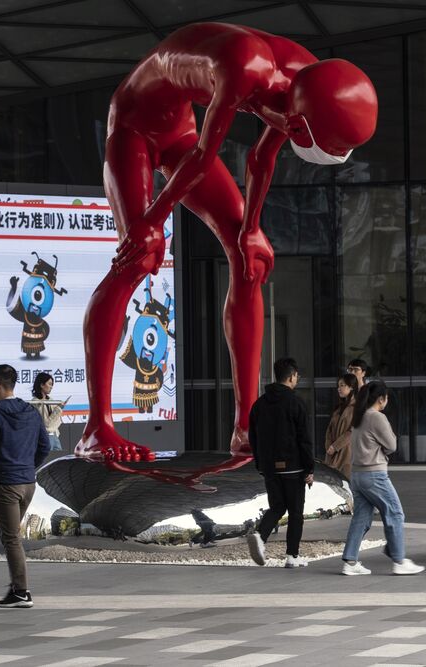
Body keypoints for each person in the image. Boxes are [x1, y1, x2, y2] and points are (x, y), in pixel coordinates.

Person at [76, 23, 378, 463]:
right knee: (139, 256)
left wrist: (251, 228)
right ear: (300, 126)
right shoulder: (245, 68)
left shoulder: (305, 81)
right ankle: (97, 427)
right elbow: (201, 159)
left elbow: (261, 157)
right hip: (133, 127)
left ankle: (244, 426)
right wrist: (151, 221)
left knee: (247, 258)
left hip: (180, 129)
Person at [0, 364, 52, 607]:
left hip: (7, 483)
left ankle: (21, 592)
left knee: (11, 538)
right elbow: (44, 447)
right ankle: (16, 585)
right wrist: (28, 466)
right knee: (11, 536)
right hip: (28, 483)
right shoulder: (30, 411)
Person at [340, 381, 424, 575]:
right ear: (381, 399)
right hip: (374, 474)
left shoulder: (358, 417)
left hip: (358, 475)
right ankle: (399, 560)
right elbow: (392, 445)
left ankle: (350, 562)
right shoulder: (377, 417)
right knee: (395, 513)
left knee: (361, 517)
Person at [246, 358, 315, 568]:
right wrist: (309, 468)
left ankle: (260, 535)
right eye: (297, 376)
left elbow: (253, 437)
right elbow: (304, 439)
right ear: (292, 376)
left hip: (268, 467)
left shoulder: (259, 404)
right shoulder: (296, 403)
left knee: (277, 506)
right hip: (293, 466)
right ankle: (292, 556)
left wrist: (261, 464)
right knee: (295, 511)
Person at [324, 373, 358, 478]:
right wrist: (329, 446)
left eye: (342, 385)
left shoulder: (356, 407)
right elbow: (329, 430)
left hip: (346, 453)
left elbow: (352, 431)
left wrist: (335, 446)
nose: (339, 389)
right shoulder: (339, 408)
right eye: (338, 386)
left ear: (351, 387)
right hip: (332, 453)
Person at [31, 372, 64, 452]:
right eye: (49, 384)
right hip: (45, 436)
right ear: (42, 385)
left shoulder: (51, 400)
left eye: (52, 384)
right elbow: (46, 423)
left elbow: (57, 420)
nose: (51, 387)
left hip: (55, 435)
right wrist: (59, 409)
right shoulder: (36, 402)